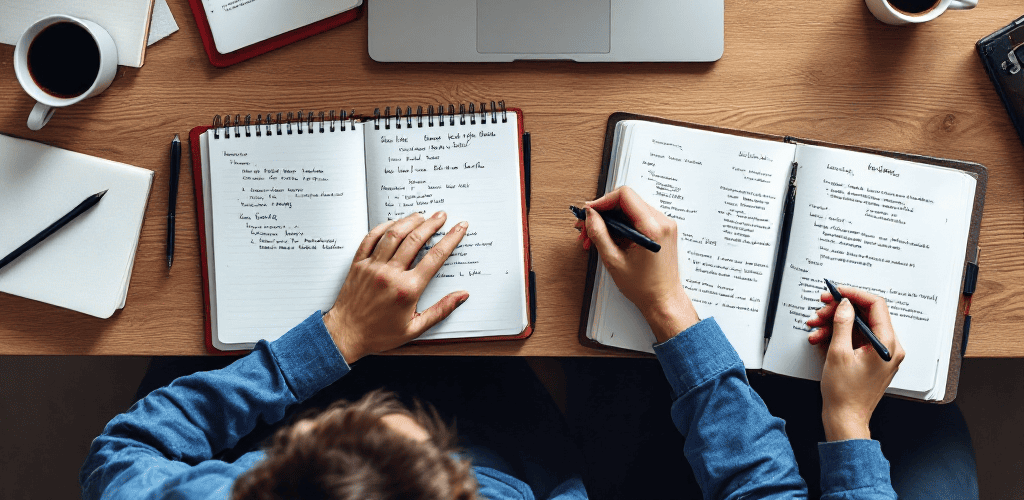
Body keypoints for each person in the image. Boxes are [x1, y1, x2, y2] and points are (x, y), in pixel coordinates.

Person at [79, 191, 956, 500]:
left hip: (325, 382)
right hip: (529, 456)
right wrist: (845, 423)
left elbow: (126, 447)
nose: (407, 410)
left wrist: (338, 339)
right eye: (425, 441)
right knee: (936, 430)